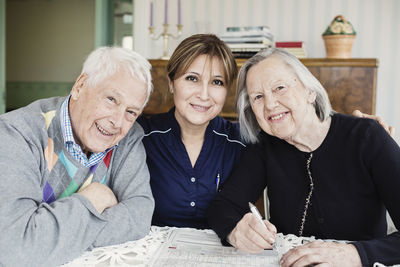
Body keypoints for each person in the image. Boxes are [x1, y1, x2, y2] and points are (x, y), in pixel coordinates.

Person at [207, 48, 400, 266]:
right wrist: (235, 230)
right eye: (258, 97)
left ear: (310, 91)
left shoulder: (367, 136)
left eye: (279, 88)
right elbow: (223, 206)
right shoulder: (266, 145)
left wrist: (355, 254)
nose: (270, 104)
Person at [0, 47, 155, 266]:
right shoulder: (16, 134)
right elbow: (16, 248)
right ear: (80, 86)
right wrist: (93, 198)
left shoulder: (128, 139)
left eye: (131, 112)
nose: (118, 122)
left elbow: (139, 216)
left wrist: (50, 235)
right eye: (111, 99)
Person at [137, 34, 245, 229]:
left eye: (217, 82)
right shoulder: (141, 136)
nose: (204, 95)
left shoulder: (241, 141)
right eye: (192, 78)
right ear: (171, 83)